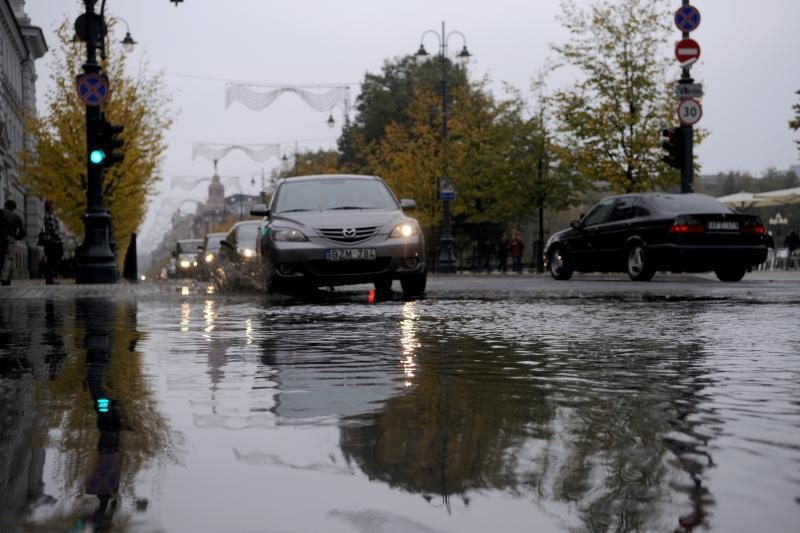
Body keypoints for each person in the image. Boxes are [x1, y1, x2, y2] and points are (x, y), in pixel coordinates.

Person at [0, 199, 27, 285]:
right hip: (10, 239)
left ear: (6, 205)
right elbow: (23, 231)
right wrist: (16, 237)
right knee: (8, 258)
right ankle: (4, 278)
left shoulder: (1, 213)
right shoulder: (17, 217)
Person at [41, 199, 63, 285]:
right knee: (52, 260)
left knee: (51, 260)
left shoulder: (48, 215)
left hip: (50, 241)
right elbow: (54, 230)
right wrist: (61, 235)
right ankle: (50, 279)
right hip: (52, 242)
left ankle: (50, 278)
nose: (54, 206)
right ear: (50, 206)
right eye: (53, 204)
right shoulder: (50, 216)